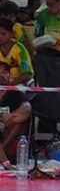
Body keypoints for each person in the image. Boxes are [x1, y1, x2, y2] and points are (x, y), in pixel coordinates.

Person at [0, 18, 32, 169]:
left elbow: (27, 73)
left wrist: (10, 84)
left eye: (3, 34)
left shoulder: (20, 49)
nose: (0, 37)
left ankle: (2, 151)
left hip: (15, 86)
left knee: (21, 115)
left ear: (11, 34)